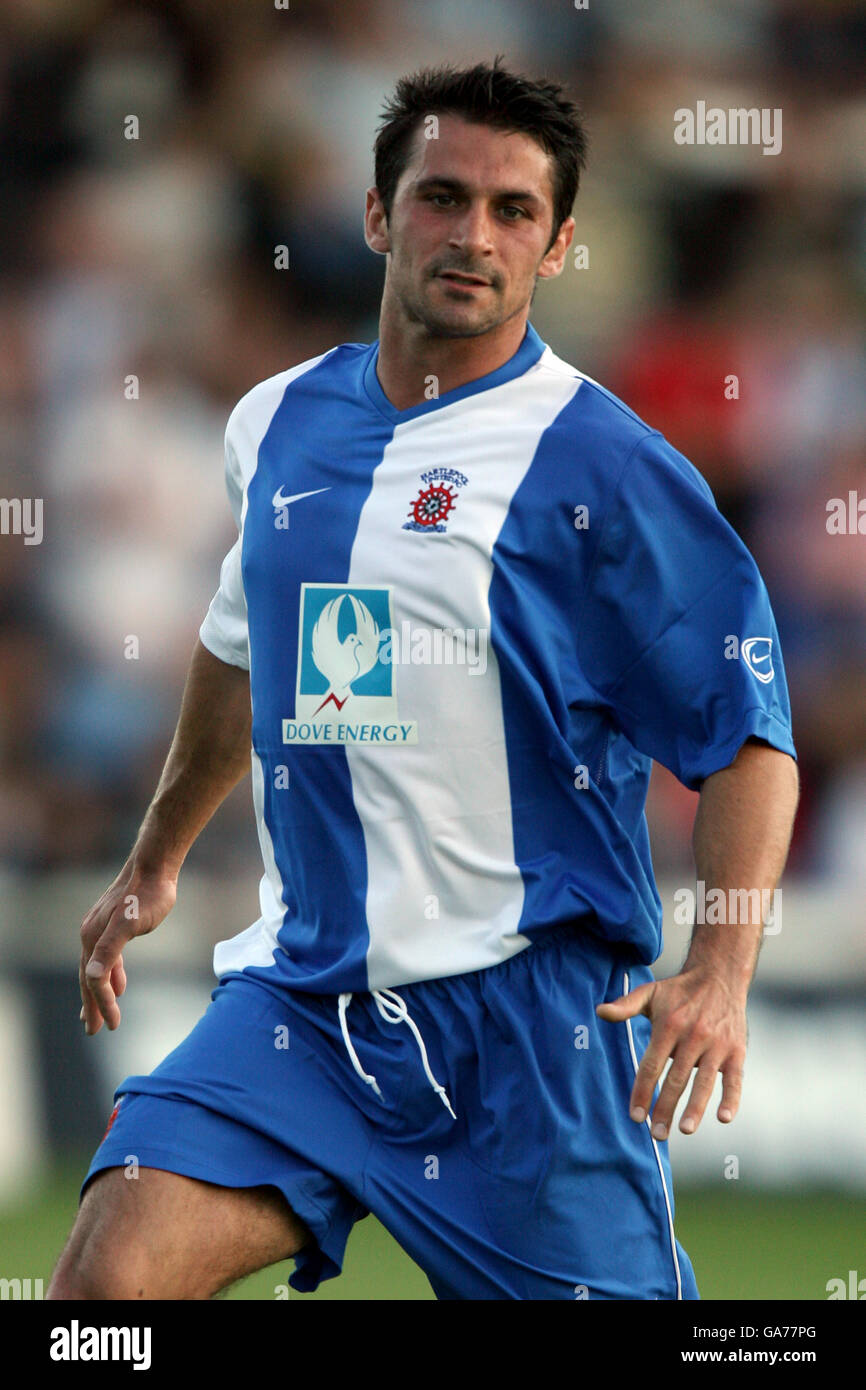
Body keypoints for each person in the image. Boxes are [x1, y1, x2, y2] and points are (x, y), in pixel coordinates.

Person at [48, 59, 799, 1302]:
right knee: (98, 1303)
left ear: (557, 247)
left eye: (513, 212)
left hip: (531, 1033)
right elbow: (245, 647)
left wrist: (718, 974)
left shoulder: (604, 468)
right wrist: (156, 859)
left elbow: (746, 739)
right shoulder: (275, 421)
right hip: (308, 1001)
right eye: (443, 197)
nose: (473, 236)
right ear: (377, 214)